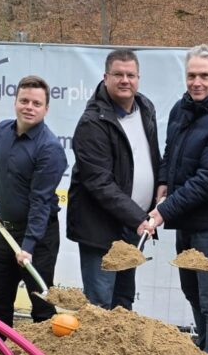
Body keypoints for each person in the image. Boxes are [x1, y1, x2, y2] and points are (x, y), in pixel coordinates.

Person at [146, 44, 208, 355]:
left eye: (204, 75)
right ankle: (202, 351)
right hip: (185, 223)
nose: (197, 82)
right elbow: (170, 153)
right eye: (191, 75)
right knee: (190, 290)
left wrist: (163, 211)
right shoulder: (181, 108)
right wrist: (163, 181)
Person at [0, 76, 67, 345]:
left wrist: (27, 246)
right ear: (15, 102)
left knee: (41, 302)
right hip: (4, 230)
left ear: (46, 109)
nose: (29, 107)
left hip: (37, 238)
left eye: (36, 103)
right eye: (24, 100)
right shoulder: (3, 131)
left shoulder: (49, 149)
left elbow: (40, 202)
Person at [67, 49, 160, 309]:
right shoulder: (92, 122)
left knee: (123, 302)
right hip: (101, 230)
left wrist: (162, 183)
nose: (125, 80)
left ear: (138, 78)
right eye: (118, 74)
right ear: (105, 77)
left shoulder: (145, 108)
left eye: (130, 75)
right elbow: (99, 182)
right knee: (100, 304)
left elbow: (152, 156)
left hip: (132, 227)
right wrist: (138, 218)